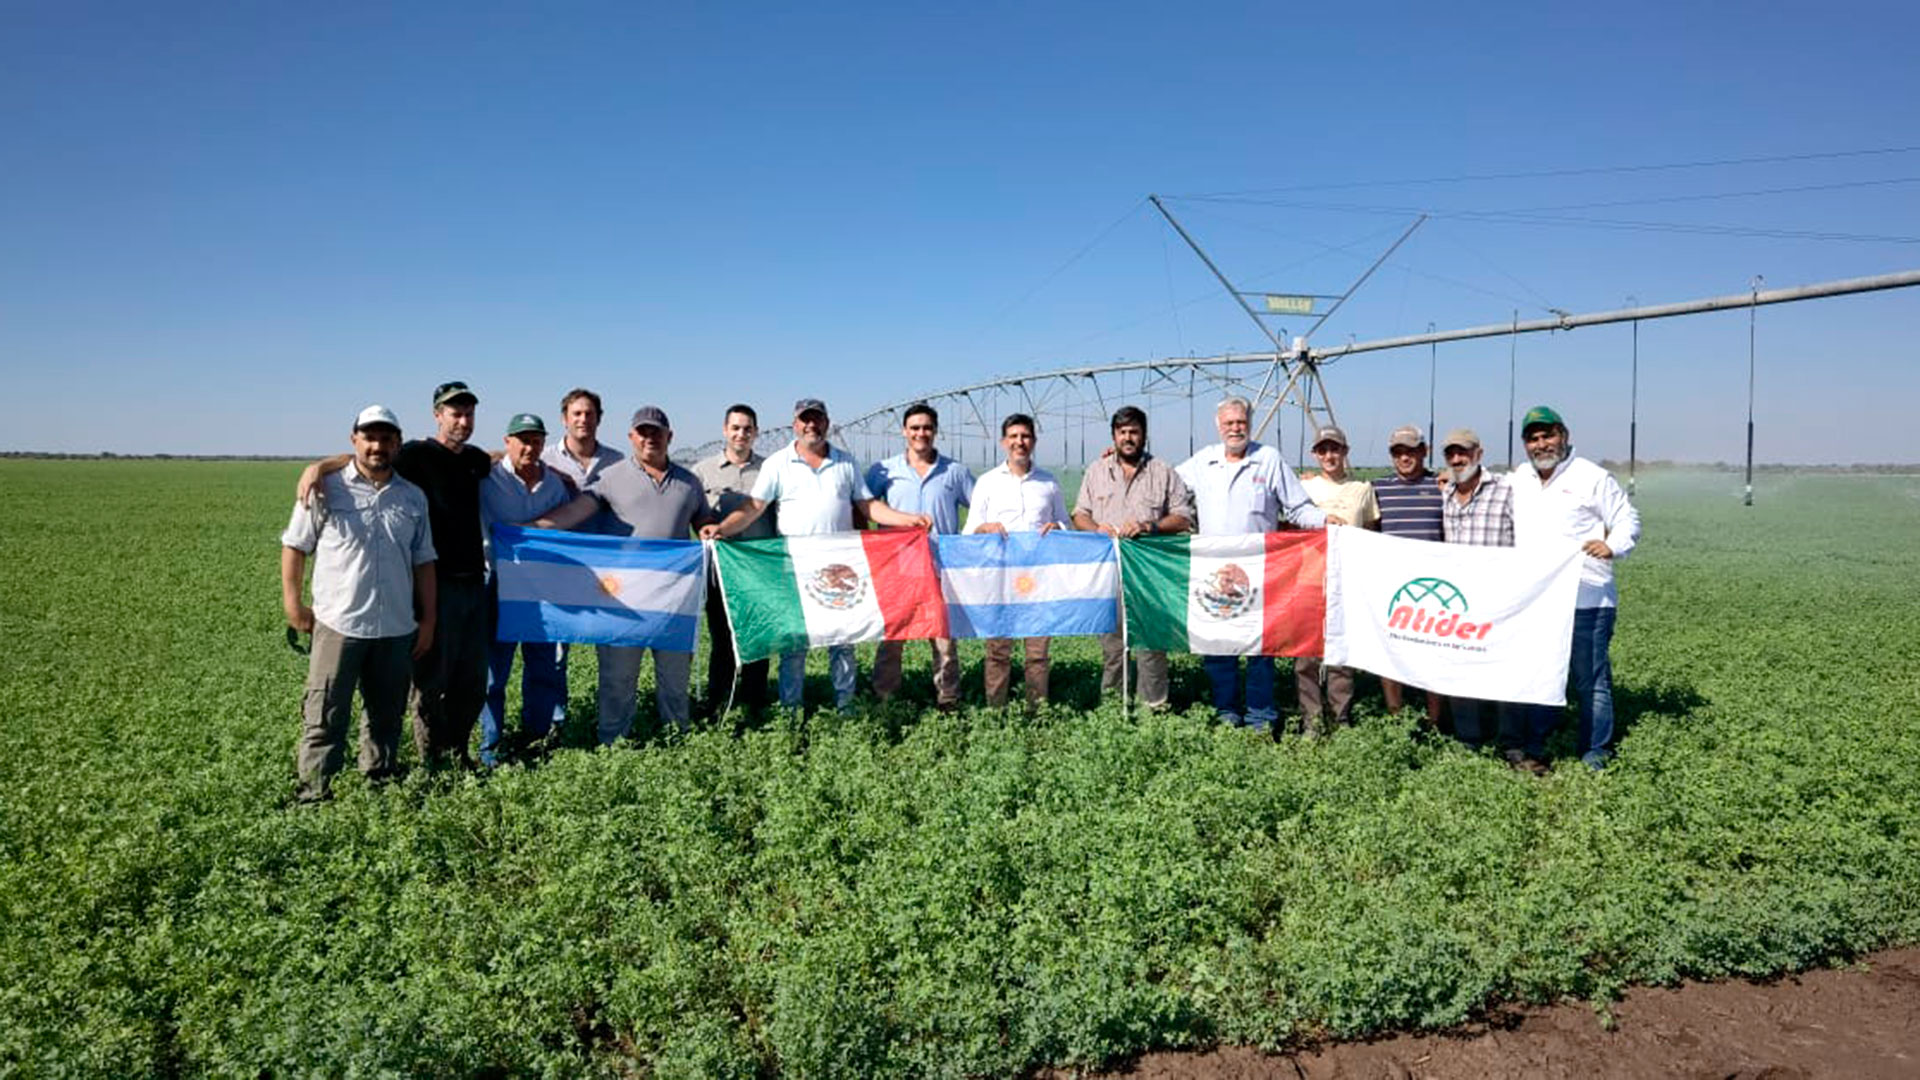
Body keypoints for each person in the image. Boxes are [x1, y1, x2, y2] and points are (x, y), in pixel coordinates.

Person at [297, 380, 492, 767]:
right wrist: (318, 466)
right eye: (455, 413)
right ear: (438, 415)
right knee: (431, 681)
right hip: (436, 583)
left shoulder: (474, 460)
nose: (463, 420)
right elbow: (370, 457)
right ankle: (432, 758)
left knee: (470, 681)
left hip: (474, 584)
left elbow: (501, 455)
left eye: (468, 413)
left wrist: (538, 462)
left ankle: (458, 753)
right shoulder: (415, 454)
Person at [700, 398, 931, 712]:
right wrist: (723, 529)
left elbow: (868, 507)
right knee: (794, 644)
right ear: (796, 424)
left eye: (817, 419)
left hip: (840, 567)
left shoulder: (845, 463)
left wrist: (907, 520)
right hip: (795, 568)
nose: (811, 425)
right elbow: (754, 506)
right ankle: (791, 709)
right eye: (805, 420)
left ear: (827, 423)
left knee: (843, 641)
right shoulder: (778, 464)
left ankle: (845, 706)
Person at [280, 405, 437, 803]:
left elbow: (423, 562)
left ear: (397, 444)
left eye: (386, 438)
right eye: (369, 437)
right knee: (325, 711)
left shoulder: (412, 496)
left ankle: (379, 781)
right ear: (354, 441)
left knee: (386, 715)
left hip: (396, 625)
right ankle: (314, 790)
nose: (377, 446)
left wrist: (429, 619)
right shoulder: (325, 488)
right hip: (339, 623)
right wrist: (293, 604)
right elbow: (295, 546)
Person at [1177, 397, 1335, 732]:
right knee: (1219, 647)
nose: (1235, 428)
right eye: (1229, 423)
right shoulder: (1202, 461)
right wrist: (1124, 459)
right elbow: (1166, 486)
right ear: (1218, 425)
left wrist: (1325, 520)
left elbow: (1297, 507)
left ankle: (1261, 717)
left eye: (1241, 422)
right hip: (1215, 575)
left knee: (1261, 648)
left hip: (1262, 573)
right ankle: (1227, 713)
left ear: (1249, 423)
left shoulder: (1268, 459)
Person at [1510, 406, 1641, 769]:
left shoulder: (1591, 477)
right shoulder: (1521, 478)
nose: (1541, 444)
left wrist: (1612, 546)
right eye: (1533, 438)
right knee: (1540, 674)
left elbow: (1627, 519)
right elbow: (1485, 486)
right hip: (1539, 601)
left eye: (1547, 435)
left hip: (1587, 599)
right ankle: (1537, 741)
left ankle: (1595, 752)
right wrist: (1448, 478)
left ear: (1563, 435)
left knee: (1590, 680)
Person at [577, 406, 718, 741]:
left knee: (674, 678)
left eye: (657, 432)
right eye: (642, 432)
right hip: (622, 601)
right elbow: (576, 512)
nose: (649, 438)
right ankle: (612, 744)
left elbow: (702, 520)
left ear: (670, 437)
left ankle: (676, 739)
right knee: (617, 679)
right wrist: (532, 531)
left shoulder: (689, 482)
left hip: (673, 599)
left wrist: (710, 528)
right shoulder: (611, 478)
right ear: (631, 437)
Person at [1072, 405, 1194, 711]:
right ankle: (1113, 708)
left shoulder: (1164, 472)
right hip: (1109, 573)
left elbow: (1183, 517)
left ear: (1144, 435)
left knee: (1151, 645)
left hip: (1151, 575)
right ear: (1114, 435)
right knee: (1113, 646)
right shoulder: (1096, 471)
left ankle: (1153, 708)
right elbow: (1080, 514)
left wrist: (1149, 526)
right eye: (1122, 432)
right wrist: (1096, 528)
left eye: (1134, 432)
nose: (1128, 437)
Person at [476, 413, 578, 765]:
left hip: (542, 589)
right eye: (521, 439)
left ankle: (535, 741)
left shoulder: (555, 485)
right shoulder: (486, 478)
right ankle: (490, 748)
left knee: (542, 668)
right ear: (507, 442)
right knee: (493, 673)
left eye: (535, 440)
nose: (528, 447)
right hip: (499, 587)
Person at [864, 402, 974, 711]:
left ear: (936, 431)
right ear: (904, 431)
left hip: (940, 568)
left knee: (944, 641)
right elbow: (863, 504)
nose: (921, 433)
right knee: (891, 640)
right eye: (914, 428)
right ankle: (884, 698)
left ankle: (948, 700)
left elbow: (981, 508)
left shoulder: (955, 472)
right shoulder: (883, 471)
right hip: (896, 569)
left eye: (926, 428)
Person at [966, 414, 1068, 709]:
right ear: (1003, 442)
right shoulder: (986, 483)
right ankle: (996, 711)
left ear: (1033, 441)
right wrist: (985, 528)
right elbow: (969, 530)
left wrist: (1057, 529)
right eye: (1013, 436)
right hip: (1000, 580)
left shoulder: (1048, 482)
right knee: (998, 650)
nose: (1019, 442)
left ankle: (1037, 711)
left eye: (1025, 436)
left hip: (1039, 581)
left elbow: (1065, 524)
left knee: (1037, 652)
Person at [538, 387, 623, 723]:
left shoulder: (618, 462)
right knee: (555, 654)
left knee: (612, 650)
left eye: (589, 414)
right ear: (564, 418)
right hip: (559, 571)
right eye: (576, 413)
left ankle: (612, 722)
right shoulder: (544, 459)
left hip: (608, 573)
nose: (583, 420)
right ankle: (553, 725)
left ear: (599, 418)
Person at [1436, 427, 1520, 759]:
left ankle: (1511, 742)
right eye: (1451, 454)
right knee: (1461, 670)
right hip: (1460, 603)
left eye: (1464, 452)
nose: (1457, 459)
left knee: (1504, 672)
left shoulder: (1507, 490)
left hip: (1501, 599)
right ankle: (1468, 739)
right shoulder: (1444, 492)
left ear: (1479, 454)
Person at [690, 404, 775, 717]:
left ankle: (754, 699)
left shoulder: (770, 470)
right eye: (735, 428)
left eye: (747, 428)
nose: (741, 434)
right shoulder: (702, 471)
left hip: (759, 571)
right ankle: (718, 699)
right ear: (725, 430)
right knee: (722, 637)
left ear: (756, 432)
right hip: (719, 571)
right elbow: (695, 516)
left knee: (757, 636)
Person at [1295, 424, 1378, 734]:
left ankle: (1340, 718)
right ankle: (1311, 721)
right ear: (1315, 455)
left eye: (1335, 449)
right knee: (1306, 658)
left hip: (1347, 583)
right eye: (1323, 450)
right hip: (1309, 581)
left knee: (1341, 657)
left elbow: (1371, 534)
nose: (1329, 455)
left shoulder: (1363, 490)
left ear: (1345, 452)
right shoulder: (1303, 489)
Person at [1371, 423, 1447, 729]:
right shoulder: (1378, 489)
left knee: (1435, 656)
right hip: (1393, 587)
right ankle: (1396, 719)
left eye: (1411, 451)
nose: (1405, 457)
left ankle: (1435, 722)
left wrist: (1453, 477)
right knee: (1390, 655)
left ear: (1424, 451)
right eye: (1398, 452)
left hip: (1435, 588)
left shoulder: (1442, 487)